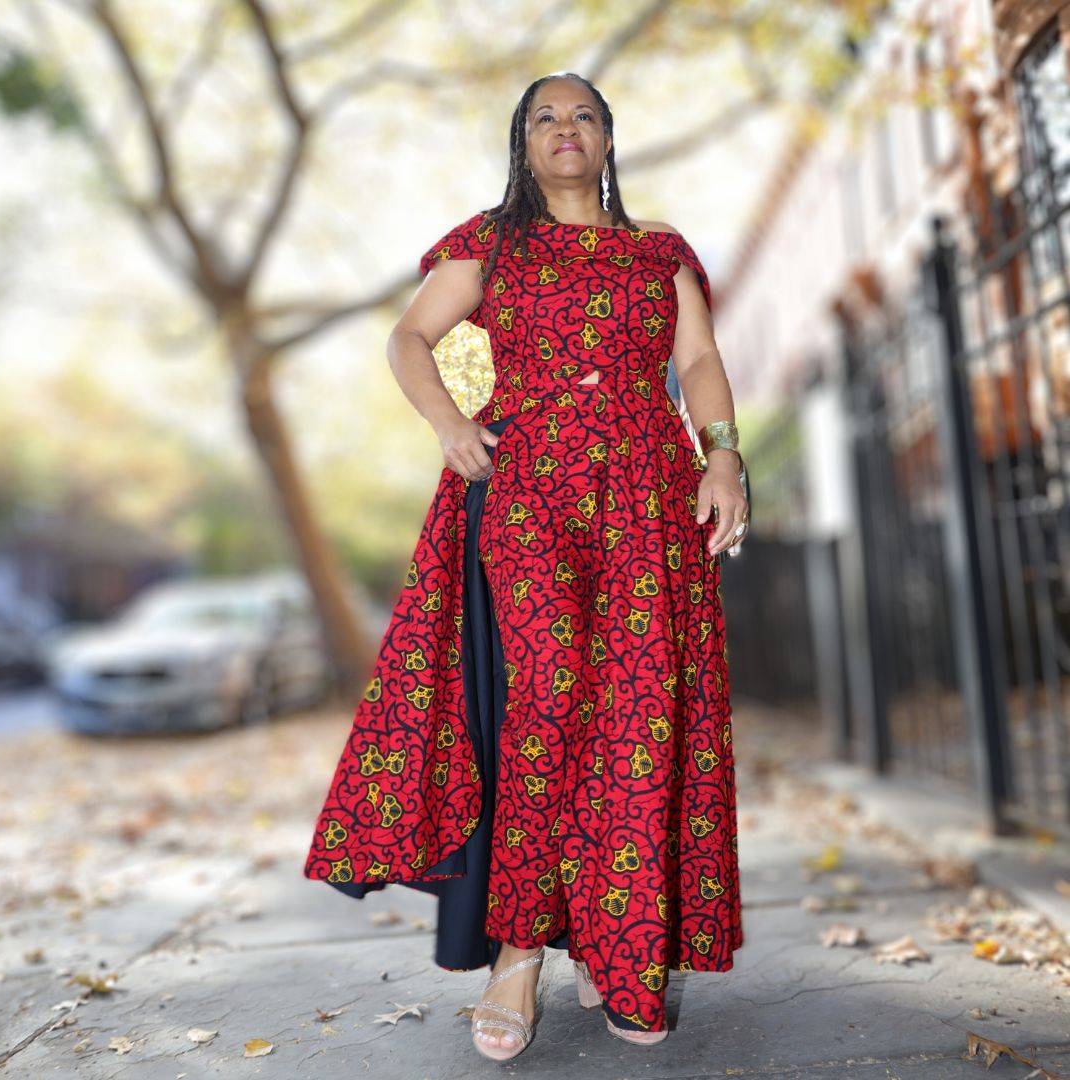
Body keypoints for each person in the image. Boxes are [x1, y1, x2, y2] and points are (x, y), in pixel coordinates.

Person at [302, 70, 748, 1062]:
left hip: (648, 494)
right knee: (545, 699)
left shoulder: (659, 250)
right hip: (530, 492)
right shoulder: (490, 243)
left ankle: (623, 949)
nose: (565, 127)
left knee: (638, 711)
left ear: (607, 140)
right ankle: (519, 953)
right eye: (545, 115)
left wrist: (723, 456)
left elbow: (699, 361)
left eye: (583, 114)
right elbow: (409, 337)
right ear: (524, 142)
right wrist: (449, 422)